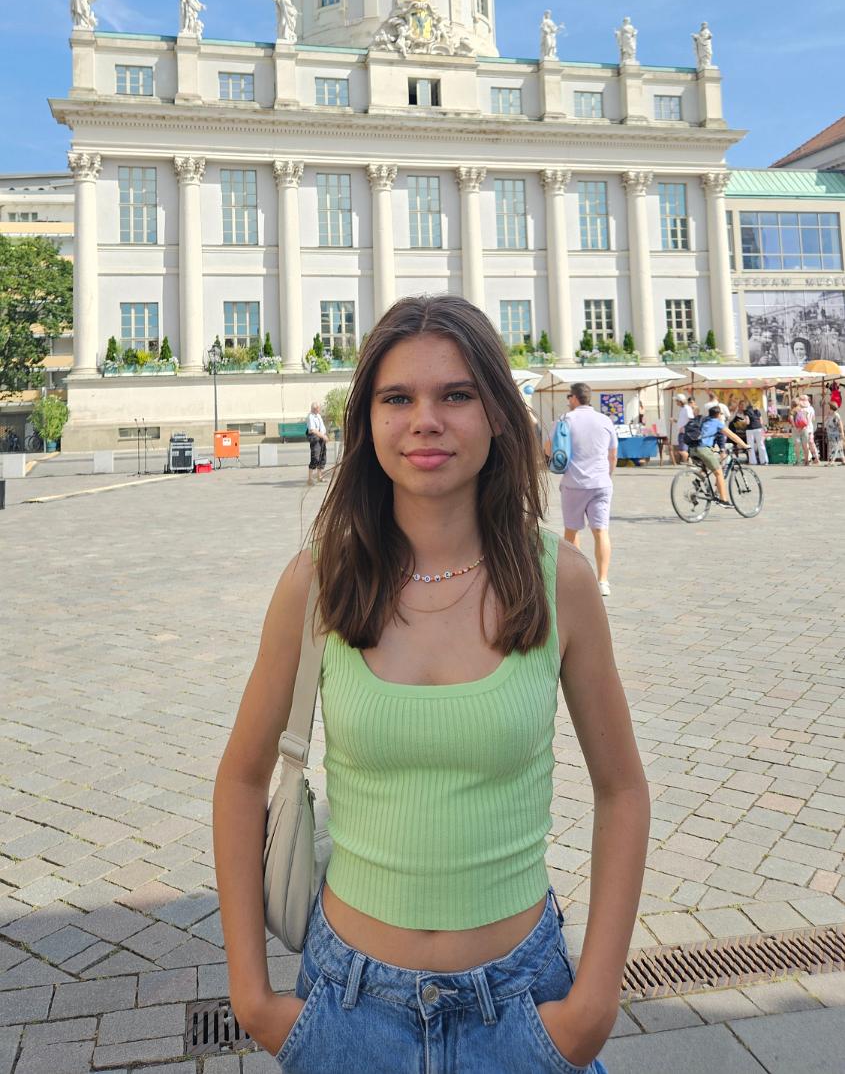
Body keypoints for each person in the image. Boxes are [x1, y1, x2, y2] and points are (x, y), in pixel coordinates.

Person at [212, 296, 649, 1072]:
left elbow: (622, 791)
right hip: (348, 1010)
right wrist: (251, 996)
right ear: (366, 421)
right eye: (396, 398)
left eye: (455, 395)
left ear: (498, 415)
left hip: (522, 1007)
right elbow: (241, 780)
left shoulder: (560, 581)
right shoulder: (317, 583)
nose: (425, 421)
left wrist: (593, 1004)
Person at [559, 382, 618, 599]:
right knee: (601, 531)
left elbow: (549, 448)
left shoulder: (566, 419)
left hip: (574, 483)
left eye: (569, 397)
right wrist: (607, 474)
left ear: (574, 398)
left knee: (571, 531)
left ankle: (575, 579)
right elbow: (613, 454)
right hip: (601, 482)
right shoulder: (605, 420)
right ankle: (603, 580)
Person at [689, 406, 747, 504]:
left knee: (710, 464)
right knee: (719, 472)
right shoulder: (717, 423)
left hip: (692, 449)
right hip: (703, 449)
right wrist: (745, 445)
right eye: (721, 414)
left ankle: (698, 480)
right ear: (718, 414)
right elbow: (732, 436)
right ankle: (723, 500)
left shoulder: (704, 420)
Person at [792, 395, 820, 465]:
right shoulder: (811, 408)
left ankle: (808, 460)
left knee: (805, 445)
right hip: (810, 428)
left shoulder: (799, 409)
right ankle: (815, 458)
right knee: (811, 444)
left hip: (803, 429)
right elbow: (813, 419)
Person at [306, 400, 328, 485]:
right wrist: (323, 436)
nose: (320, 410)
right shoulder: (310, 417)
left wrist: (324, 436)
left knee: (322, 457)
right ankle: (310, 479)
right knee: (315, 458)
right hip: (315, 439)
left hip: (321, 438)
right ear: (315, 409)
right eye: (319, 408)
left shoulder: (318, 415)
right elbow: (313, 430)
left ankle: (319, 477)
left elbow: (322, 427)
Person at [744, 399, 769, 466]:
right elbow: (761, 421)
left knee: (750, 445)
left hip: (750, 429)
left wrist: (743, 421)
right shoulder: (757, 411)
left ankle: (753, 461)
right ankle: (764, 461)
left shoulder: (746, 411)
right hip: (759, 428)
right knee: (761, 444)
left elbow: (747, 422)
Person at [674, 392, 695, 464]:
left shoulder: (686, 408)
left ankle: (690, 463)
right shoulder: (684, 408)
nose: (676, 402)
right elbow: (683, 421)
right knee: (683, 450)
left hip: (684, 432)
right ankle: (690, 463)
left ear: (680, 401)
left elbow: (691, 419)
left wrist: (686, 428)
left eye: (677, 401)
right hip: (683, 432)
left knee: (682, 450)